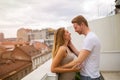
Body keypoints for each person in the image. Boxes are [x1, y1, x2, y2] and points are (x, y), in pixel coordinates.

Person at [62, 15, 104, 80]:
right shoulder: (90, 37)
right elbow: (81, 56)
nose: (75, 31)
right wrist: (70, 45)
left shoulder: (89, 39)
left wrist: (60, 67)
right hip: (91, 76)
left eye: (75, 27)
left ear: (82, 24)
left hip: (89, 77)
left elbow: (78, 61)